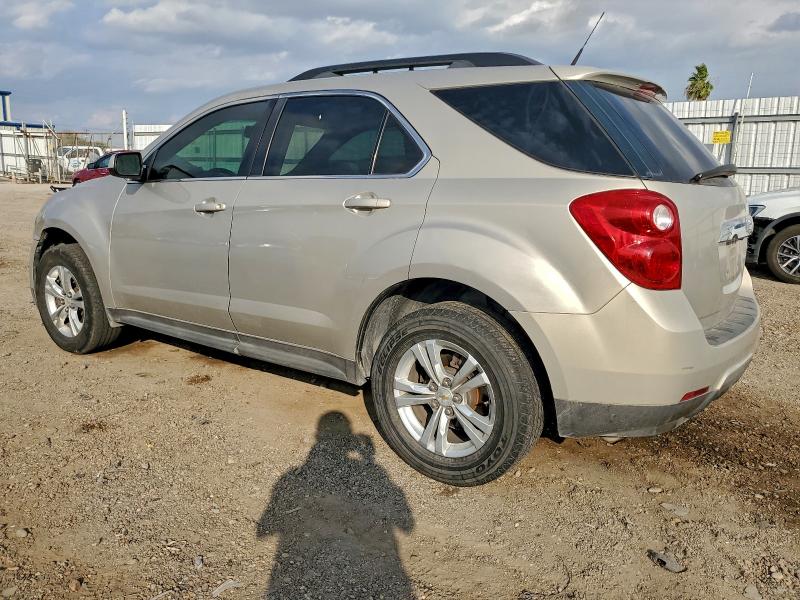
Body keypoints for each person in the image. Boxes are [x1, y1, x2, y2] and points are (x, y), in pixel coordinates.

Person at [257, 411, 415, 599]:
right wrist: (369, 461)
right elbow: (407, 525)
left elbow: (264, 531)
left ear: (318, 436)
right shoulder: (377, 474)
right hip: (374, 575)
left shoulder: (290, 479)